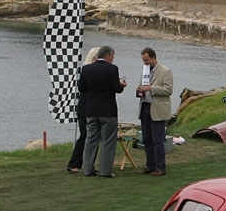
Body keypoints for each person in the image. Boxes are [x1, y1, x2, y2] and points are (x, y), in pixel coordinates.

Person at [79, 45, 126, 178]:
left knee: (91, 139)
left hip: (91, 110)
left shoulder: (86, 69)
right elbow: (116, 88)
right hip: (107, 110)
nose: (113, 58)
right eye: (112, 56)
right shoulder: (112, 69)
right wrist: (122, 85)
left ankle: (87, 169)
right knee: (108, 141)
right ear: (107, 55)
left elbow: (81, 88)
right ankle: (105, 171)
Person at [137, 47, 173, 177]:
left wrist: (151, 88)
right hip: (145, 107)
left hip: (158, 109)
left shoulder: (165, 71)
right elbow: (142, 86)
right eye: (143, 60)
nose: (145, 63)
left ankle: (161, 167)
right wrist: (139, 90)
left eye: (147, 60)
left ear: (153, 57)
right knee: (147, 139)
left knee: (157, 140)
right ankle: (150, 165)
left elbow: (168, 90)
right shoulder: (144, 71)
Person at [66, 46, 100, 174]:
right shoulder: (85, 71)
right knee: (85, 135)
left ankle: (88, 164)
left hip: (90, 107)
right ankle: (74, 163)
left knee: (92, 136)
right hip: (85, 108)